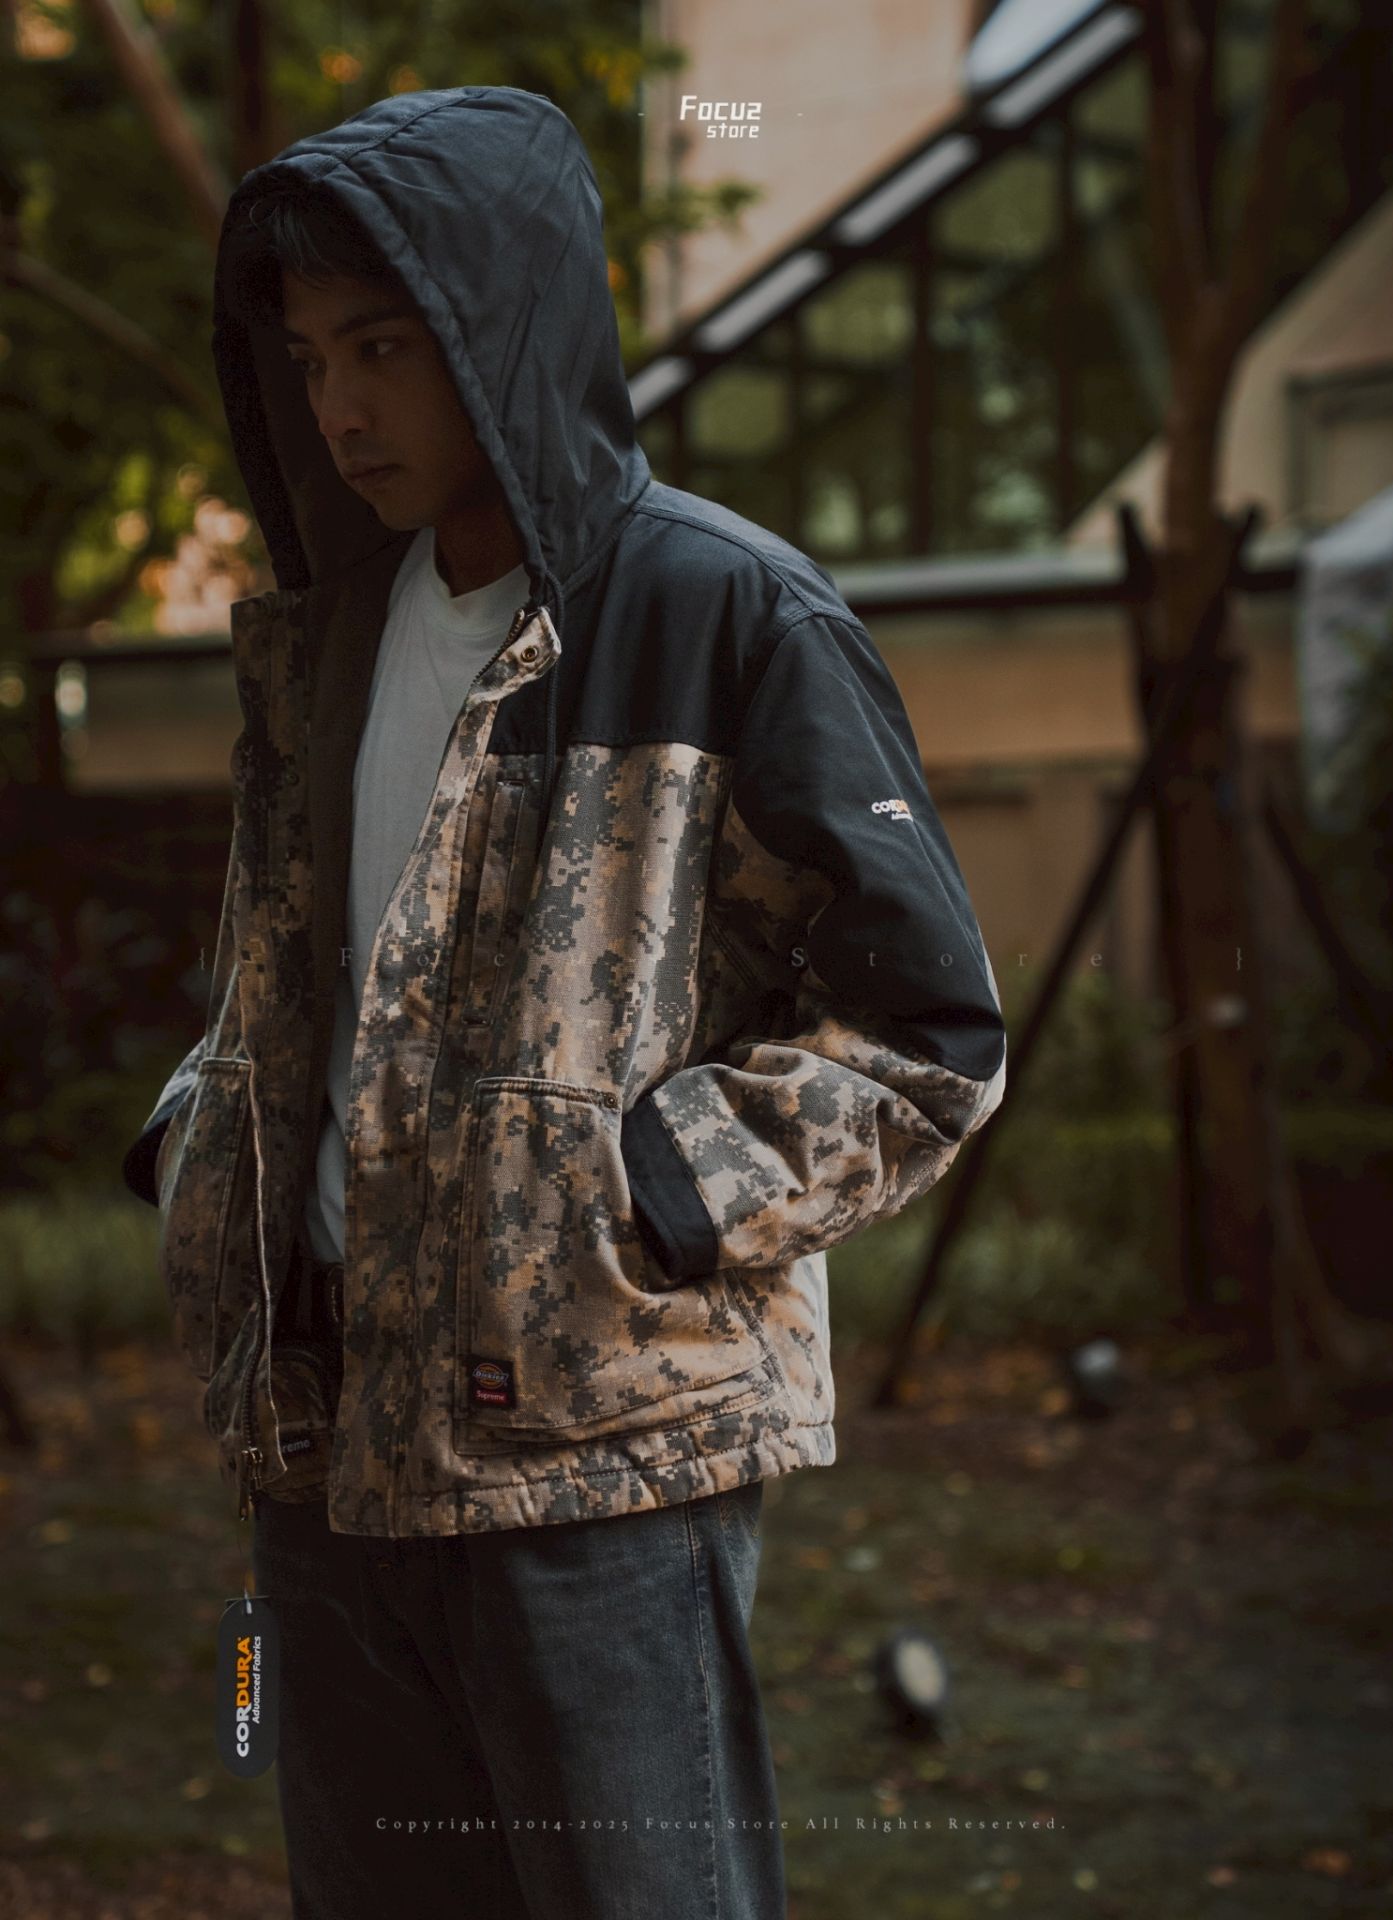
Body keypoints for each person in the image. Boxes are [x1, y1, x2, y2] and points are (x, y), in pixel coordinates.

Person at [121, 84, 1006, 1920]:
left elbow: (928, 1036)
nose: (339, 406)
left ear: (505, 326)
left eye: (385, 346)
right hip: (322, 1438)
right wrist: (203, 1144)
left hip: (600, 1462)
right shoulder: (327, 634)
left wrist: (649, 1195)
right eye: (310, 358)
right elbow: (293, 980)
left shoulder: (727, 614)